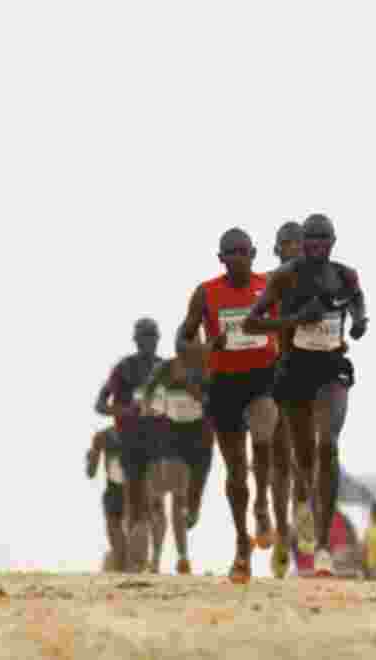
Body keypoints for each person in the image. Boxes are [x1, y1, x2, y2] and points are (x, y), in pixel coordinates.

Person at [243, 213, 368, 577]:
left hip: (331, 369)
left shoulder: (344, 275)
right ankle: (297, 516)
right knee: (304, 458)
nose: (314, 247)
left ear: (333, 242)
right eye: (308, 241)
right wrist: (295, 321)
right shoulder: (282, 278)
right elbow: (253, 321)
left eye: (321, 240)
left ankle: (325, 546)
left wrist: (360, 321)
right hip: (294, 371)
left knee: (328, 443)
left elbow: (357, 300)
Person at [175, 228, 281, 583]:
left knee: (264, 432)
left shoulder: (270, 285)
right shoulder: (206, 293)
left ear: (253, 253)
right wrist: (207, 350)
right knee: (236, 472)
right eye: (230, 252)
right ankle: (241, 544)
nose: (237, 257)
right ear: (220, 258)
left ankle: (263, 505)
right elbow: (182, 341)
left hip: (263, 378)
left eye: (242, 251)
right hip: (224, 386)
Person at [94, 317, 164, 572]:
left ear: (158, 339)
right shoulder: (124, 369)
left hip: (159, 442)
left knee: (154, 501)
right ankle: (133, 562)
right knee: (135, 501)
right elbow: (100, 405)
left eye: (152, 337)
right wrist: (125, 411)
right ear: (136, 340)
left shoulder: (165, 368)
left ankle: (150, 561)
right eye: (143, 337)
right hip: (130, 442)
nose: (148, 342)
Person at [139, 348, 216, 575]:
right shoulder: (165, 368)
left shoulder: (208, 367)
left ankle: (193, 513)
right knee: (175, 496)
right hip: (173, 436)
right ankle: (174, 558)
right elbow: (149, 392)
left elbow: (214, 403)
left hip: (201, 437)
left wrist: (192, 389)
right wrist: (148, 404)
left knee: (190, 502)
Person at [265, 221, 303, 578]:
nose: (293, 249)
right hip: (272, 381)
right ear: (276, 249)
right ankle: (281, 532)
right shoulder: (263, 284)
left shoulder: (322, 282)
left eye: (298, 243)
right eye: (286, 244)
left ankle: (299, 522)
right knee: (279, 463)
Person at [86, 426, 128, 572]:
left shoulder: (104, 436)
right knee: (119, 539)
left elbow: (90, 472)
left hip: (129, 491)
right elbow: (91, 472)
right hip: (119, 491)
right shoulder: (103, 436)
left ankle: (122, 565)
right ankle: (121, 565)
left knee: (121, 539)